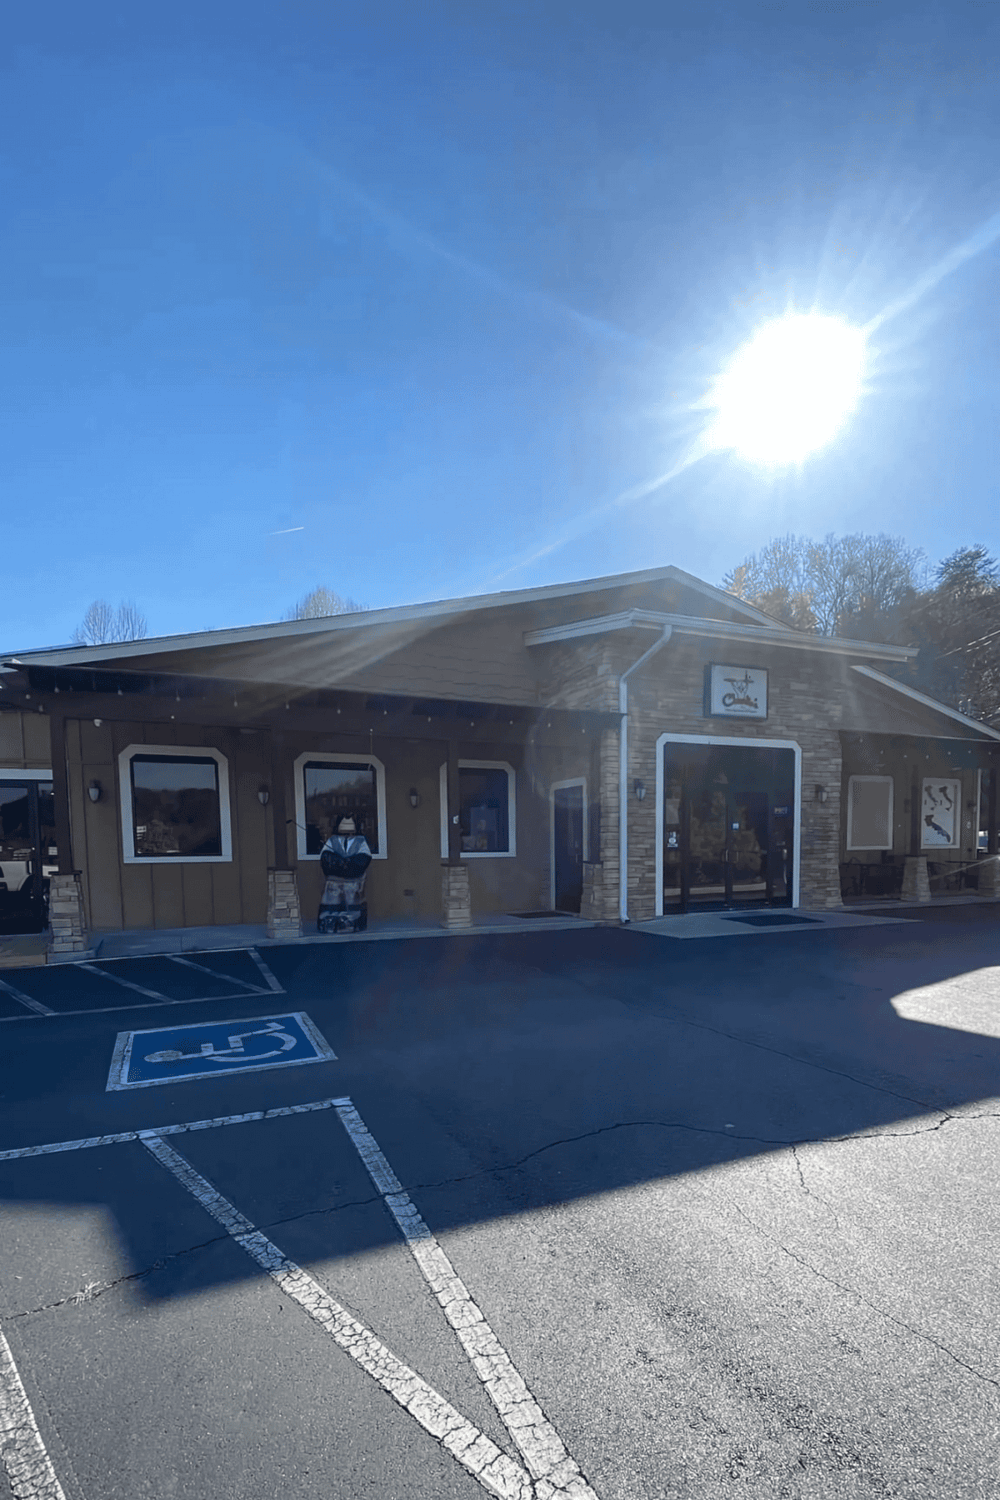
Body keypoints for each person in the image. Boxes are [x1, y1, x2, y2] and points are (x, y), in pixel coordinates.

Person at [317, 815, 372, 933]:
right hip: (334, 879)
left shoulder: (361, 840)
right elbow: (325, 857)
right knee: (332, 897)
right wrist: (338, 862)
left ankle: (352, 921)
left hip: (354, 879)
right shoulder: (332, 840)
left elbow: (364, 857)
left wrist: (350, 864)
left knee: (352, 898)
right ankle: (329, 920)